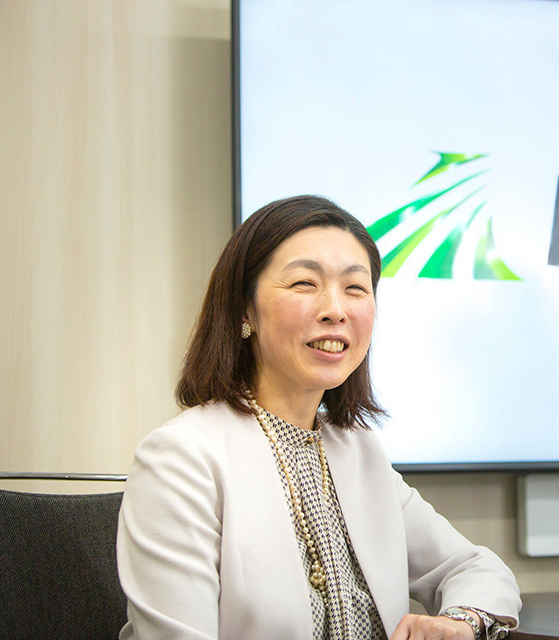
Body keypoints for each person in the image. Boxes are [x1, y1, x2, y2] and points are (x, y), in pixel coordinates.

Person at [116, 195, 521, 640]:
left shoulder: (359, 451)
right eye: (305, 284)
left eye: (355, 288)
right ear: (243, 309)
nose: (336, 309)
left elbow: (476, 568)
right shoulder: (180, 459)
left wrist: (460, 622)